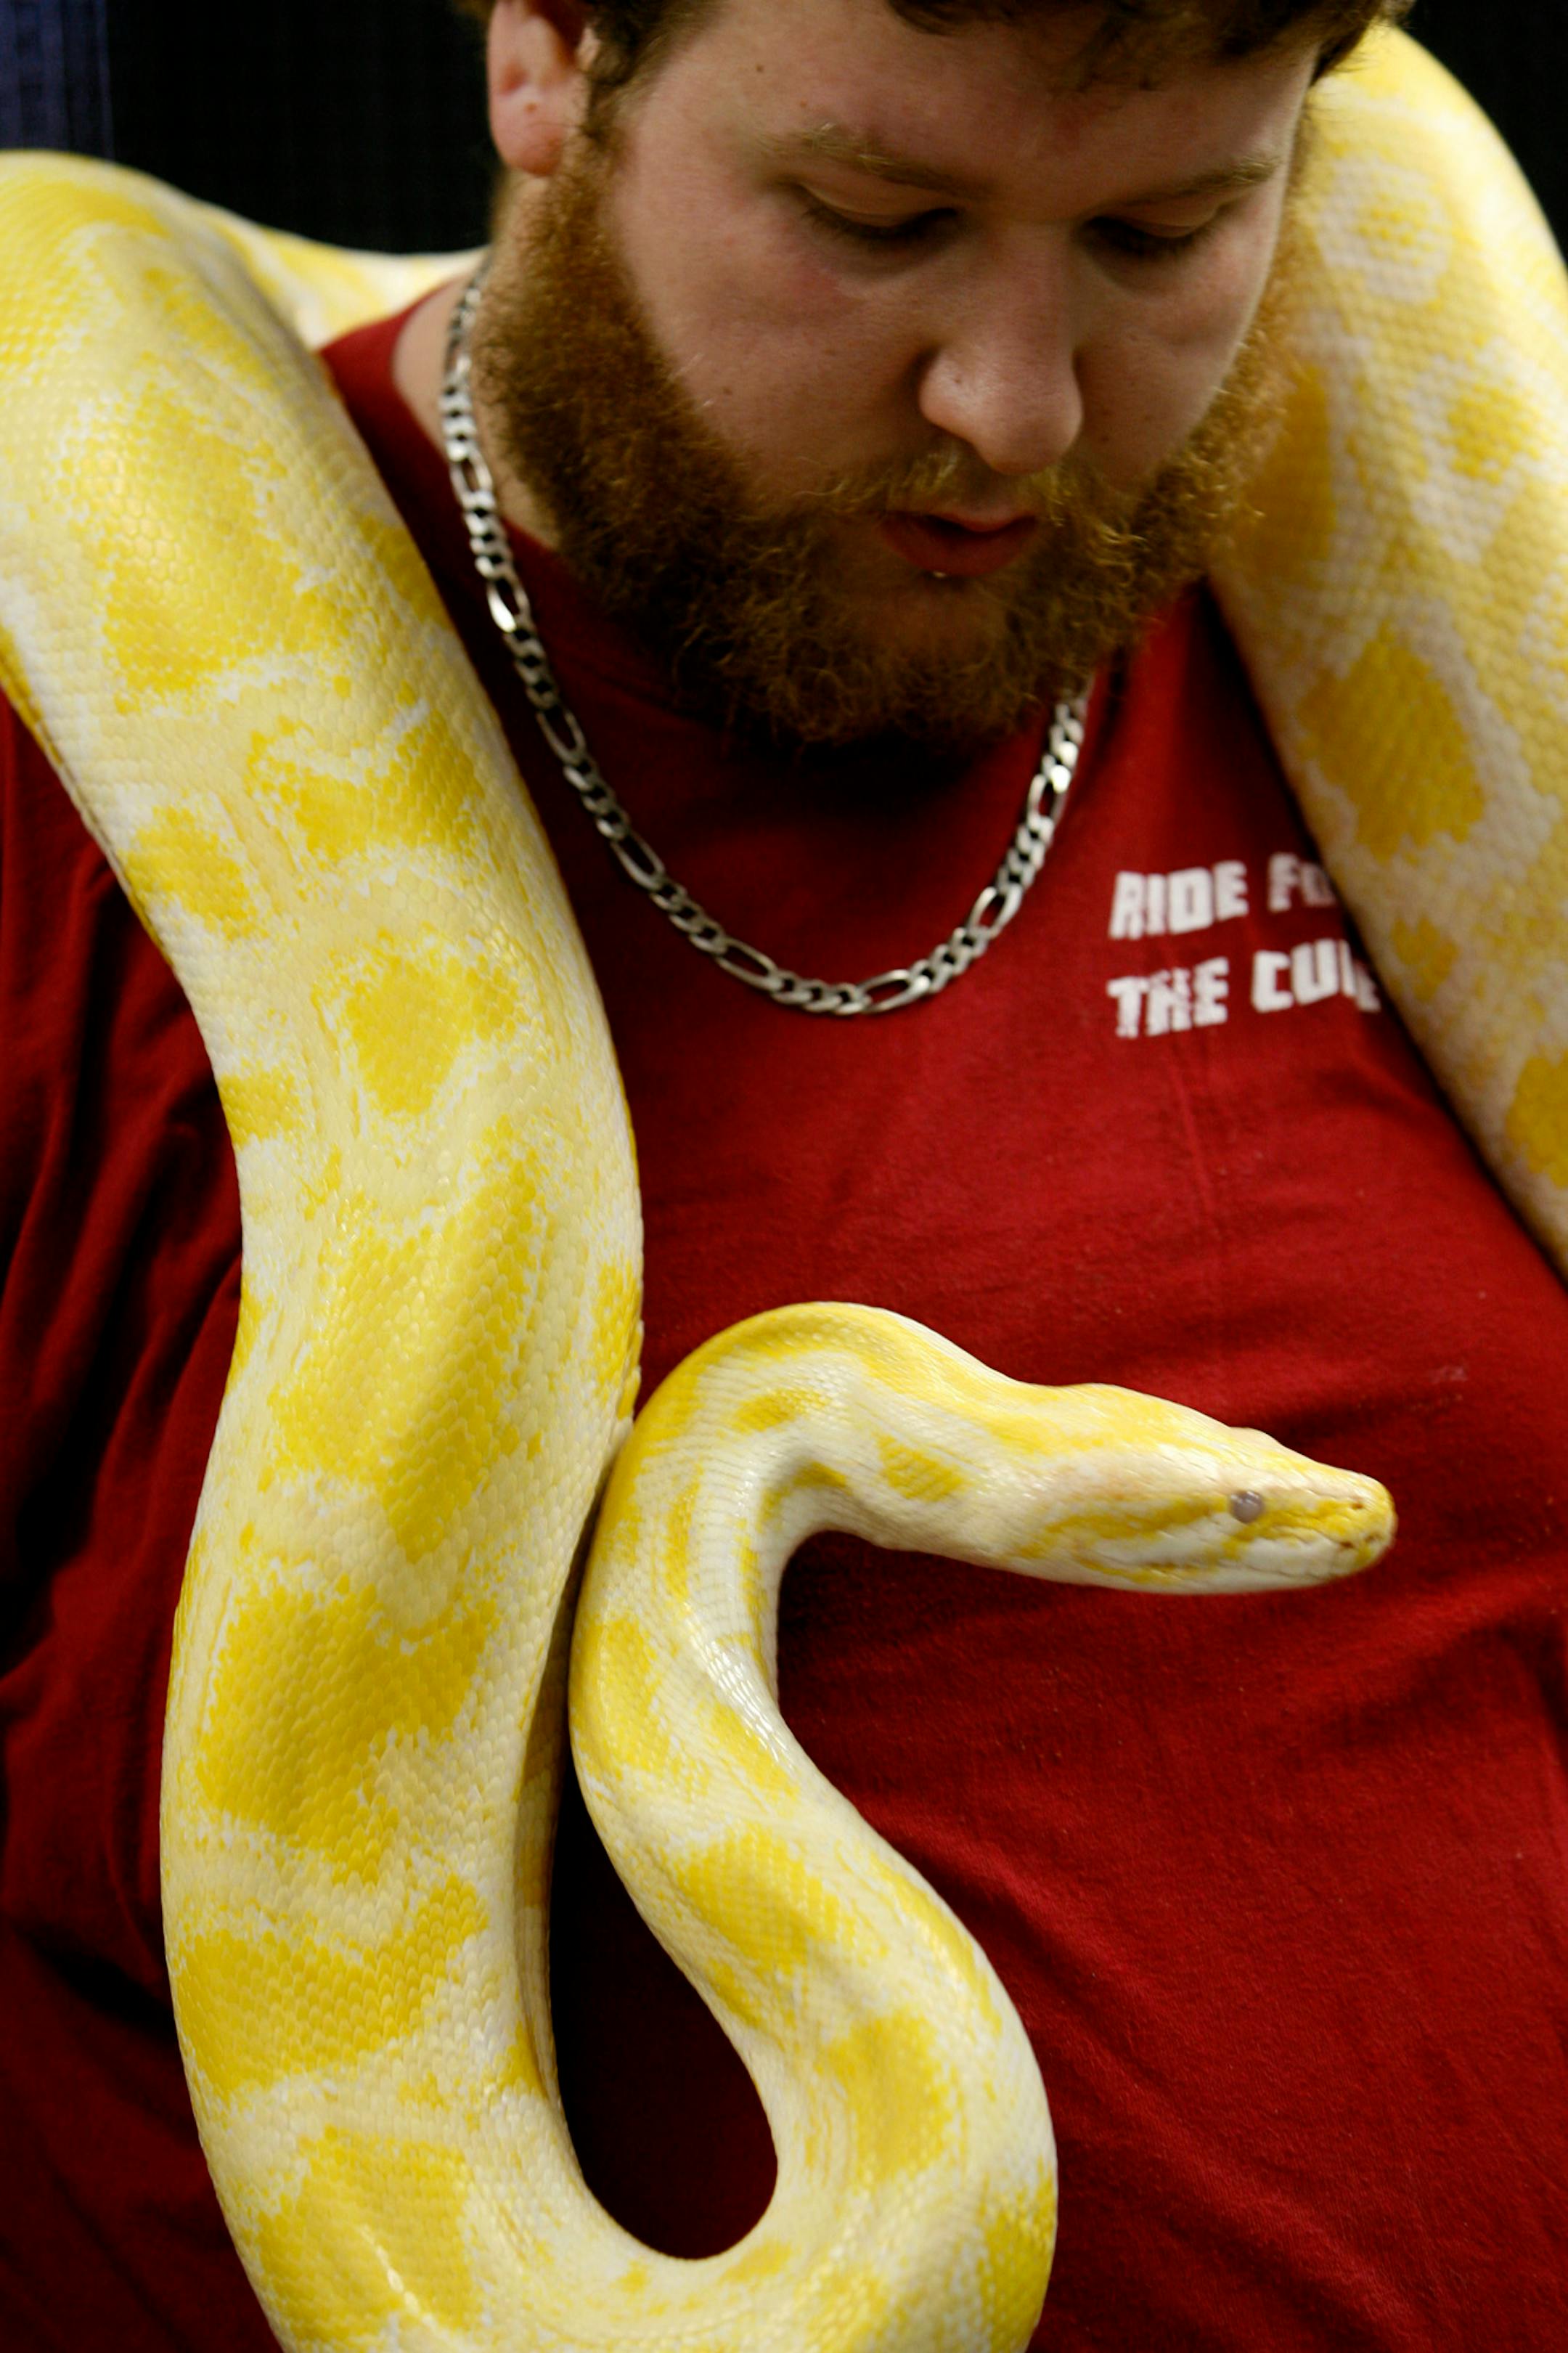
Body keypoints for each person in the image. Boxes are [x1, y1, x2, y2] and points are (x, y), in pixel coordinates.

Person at [1, 1, 1565, 2346]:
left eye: (1165, 232)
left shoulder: (1379, 604)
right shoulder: (70, 787)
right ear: (546, 55)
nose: (1014, 407)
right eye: (877, 222)